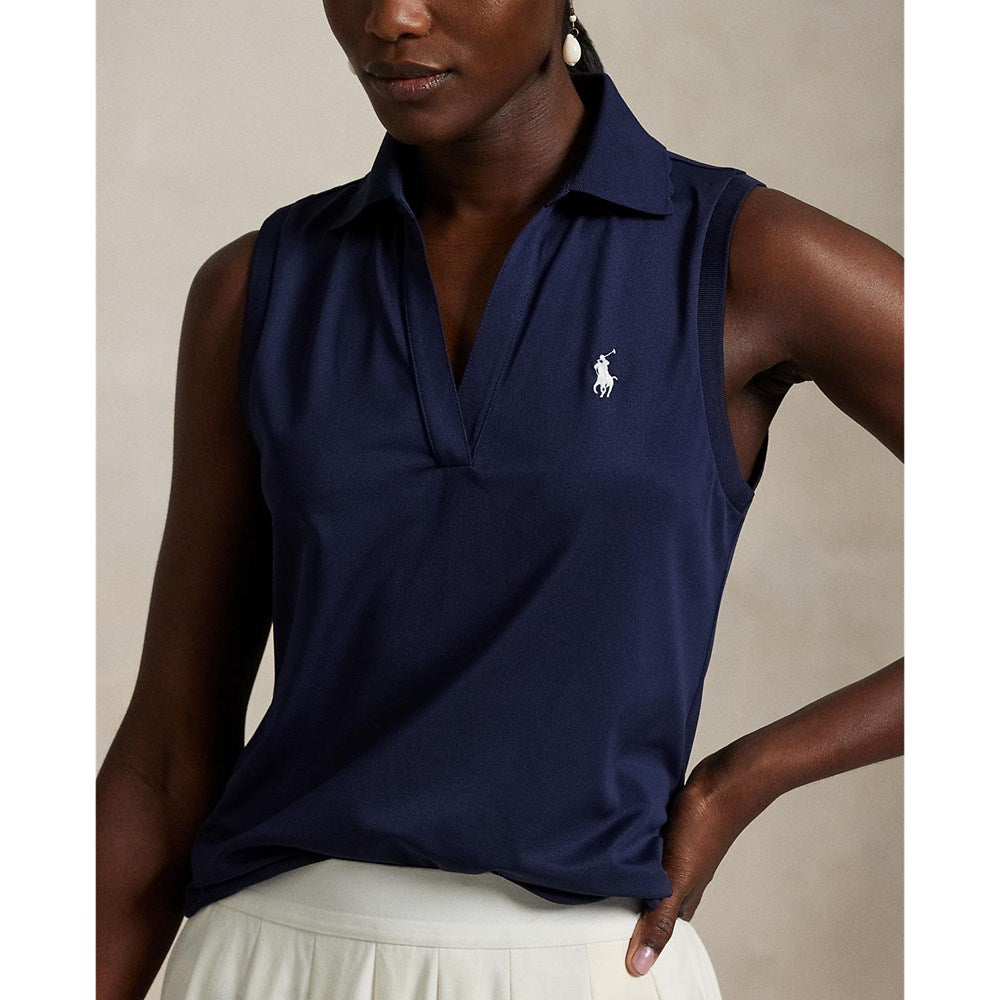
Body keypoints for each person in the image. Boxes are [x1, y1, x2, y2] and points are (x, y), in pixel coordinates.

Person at [96, 2, 903, 998]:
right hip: (263, 960)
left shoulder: (738, 256)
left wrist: (749, 776)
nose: (391, 16)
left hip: (576, 966)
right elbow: (166, 756)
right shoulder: (258, 288)